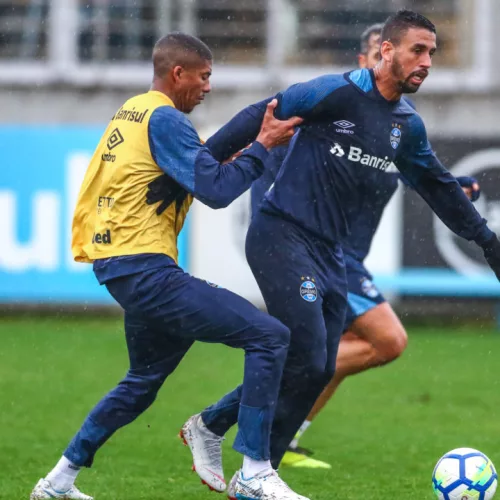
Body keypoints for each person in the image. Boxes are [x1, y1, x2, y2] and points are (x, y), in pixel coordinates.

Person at [179, 9, 500, 498]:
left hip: (331, 255)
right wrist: (202, 162)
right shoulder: (335, 92)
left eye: (432, 52)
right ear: (386, 51)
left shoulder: (406, 126)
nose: (427, 61)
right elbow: (262, 113)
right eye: (418, 50)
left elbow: (438, 188)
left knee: (320, 365)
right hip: (282, 236)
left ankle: (245, 463)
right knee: (304, 349)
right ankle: (253, 462)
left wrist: (486, 241)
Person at [30, 32, 305, 500]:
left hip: (121, 266)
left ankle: (58, 482)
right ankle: (253, 468)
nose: (208, 87)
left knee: (142, 381)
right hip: (145, 270)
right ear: (178, 74)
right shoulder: (167, 120)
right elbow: (216, 192)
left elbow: (190, 174)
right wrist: (262, 145)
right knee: (270, 336)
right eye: (204, 77)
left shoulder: (133, 111)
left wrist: (233, 154)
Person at [268, 23, 480, 469]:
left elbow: (408, 172)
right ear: (373, 57)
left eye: (427, 53)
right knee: (388, 341)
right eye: (369, 53)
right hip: (327, 252)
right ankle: (270, 397)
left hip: (344, 257)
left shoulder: (393, 124)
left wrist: (454, 186)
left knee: (340, 345)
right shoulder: (339, 110)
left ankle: (286, 432)